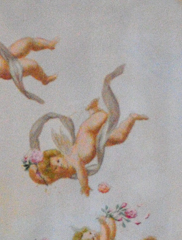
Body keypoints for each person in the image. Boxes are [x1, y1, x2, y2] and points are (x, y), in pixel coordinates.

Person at [26, 65, 144, 195]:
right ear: (55, 176)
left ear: (58, 155)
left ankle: (93, 110)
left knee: (104, 115)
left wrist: (84, 187)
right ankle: (132, 117)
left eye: (57, 161)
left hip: (89, 130)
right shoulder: (69, 171)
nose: (59, 165)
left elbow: (81, 171)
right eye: (55, 169)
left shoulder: (71, 159)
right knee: (120, 137)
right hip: (97, 141)